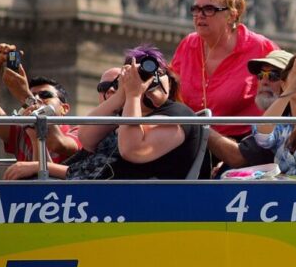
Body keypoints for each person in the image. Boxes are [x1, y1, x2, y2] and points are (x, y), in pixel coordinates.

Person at [72, 45, 200, 180]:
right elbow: (87, 139)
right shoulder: (126, 113)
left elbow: (133, 150)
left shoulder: (179, 114)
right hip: (92, 191)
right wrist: (122, 94)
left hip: (140, 197)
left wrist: (134, 95)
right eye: (141, 75)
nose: (150, 79)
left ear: (169, 81)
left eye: (159, 73)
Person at [171, 0, 278, 139]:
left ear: (231, 16)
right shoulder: (188, 45)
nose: (199, 15)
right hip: (193, 140)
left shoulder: (261, 48)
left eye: (209, 9)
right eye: (196, 9)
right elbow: (170, 90)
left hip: (245, 144)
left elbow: (285, 92)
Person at [0, 43, 80, 165]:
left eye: (45, 95)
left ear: (64, 109)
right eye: (33, 94)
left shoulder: (77, 133)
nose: (37, 98)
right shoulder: (20, 132)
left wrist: (26, 96)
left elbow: (57, 143)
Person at [206, 49, 293, 170]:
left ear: (292, 83)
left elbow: (237, 157)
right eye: (261, 75)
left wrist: (199, 127)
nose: (264, 81)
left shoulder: (287, 119)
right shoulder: (268, 119)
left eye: (274, 76)